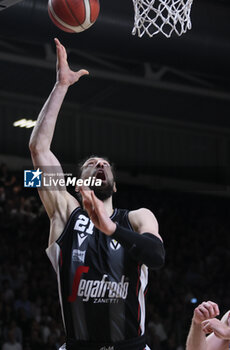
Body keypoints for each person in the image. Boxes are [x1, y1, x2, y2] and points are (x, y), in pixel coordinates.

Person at [29, 38, 165, 350]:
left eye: (105, 164)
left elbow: (156, 257)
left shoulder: (137, 217)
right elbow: (38, 149)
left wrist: (112, 228)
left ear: (115, 185)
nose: (99, 163)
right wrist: (62, 86)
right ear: (79, 180)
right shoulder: (65, 212)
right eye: (91, 164)